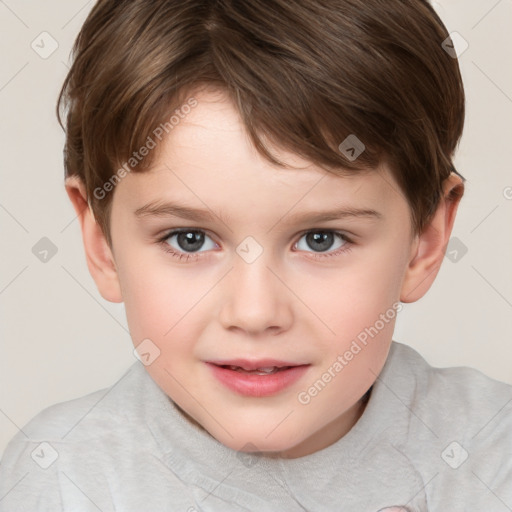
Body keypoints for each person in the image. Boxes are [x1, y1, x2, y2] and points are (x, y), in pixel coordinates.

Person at [1, 0, 511, 510]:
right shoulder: (61, 479)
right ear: (102, 244)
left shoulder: (492, 457)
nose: (254, 312)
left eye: (321, 239)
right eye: (189, 239)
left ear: (424, 241)